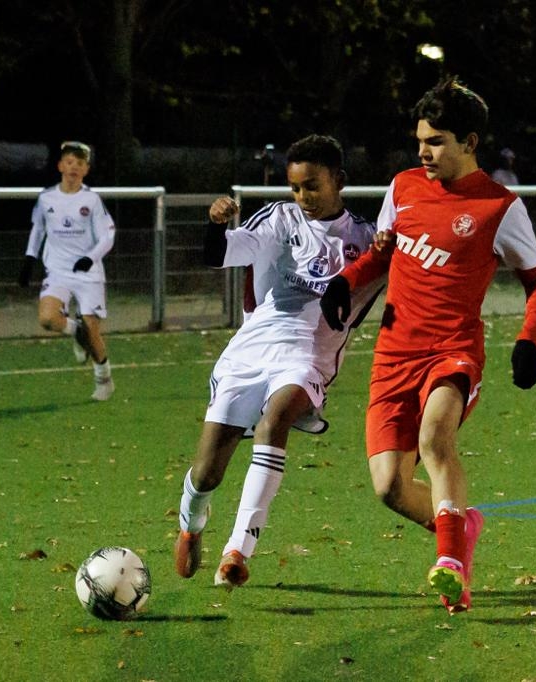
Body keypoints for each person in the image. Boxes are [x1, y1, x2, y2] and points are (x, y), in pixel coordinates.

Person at [319, 76, 536, 614]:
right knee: (389, 488)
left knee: (435, 439)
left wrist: (528, 341)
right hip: (393, 354)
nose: (423, 152)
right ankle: (461, 528)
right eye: (420, 141)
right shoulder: (403, 187)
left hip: (453, 350)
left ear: (470, 142)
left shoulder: (499, 207)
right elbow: (383, 254)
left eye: (436, 142)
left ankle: (451, 565)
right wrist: (344, 284)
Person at [172, 134, 384, 588]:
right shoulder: (279, 219)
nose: (303, 196)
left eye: (313, 185)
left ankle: (237, 550)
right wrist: (215, 225)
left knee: (276, 421)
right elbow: (218, 254)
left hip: (309, 353)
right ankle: (192, 521)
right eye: (296, 187)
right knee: (207, 472)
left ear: (339, 180)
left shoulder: (367, 238)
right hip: (252, 348)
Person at [18, 141, 116, 401]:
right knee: (47, 319)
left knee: (93, 330)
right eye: (70, 162)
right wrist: (29, 259)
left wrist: (89, 258)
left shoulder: (91, 200)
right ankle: (76, 331)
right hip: (58, 271)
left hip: (88, 274)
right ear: (60, 166)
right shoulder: (46, 198)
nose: (74, 167)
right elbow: (38, 229)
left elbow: (108, 236)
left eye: (80, 163)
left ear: (86, 170)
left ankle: (104, 379)